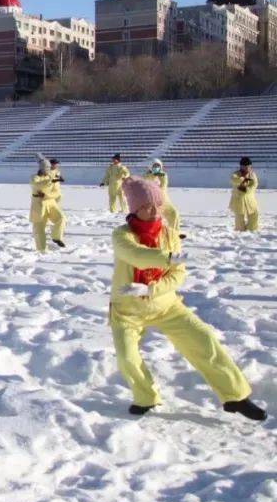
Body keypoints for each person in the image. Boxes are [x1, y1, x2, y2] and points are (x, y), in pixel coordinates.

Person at [109, 178, 265, 421]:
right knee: (127, 357)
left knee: (204, 339)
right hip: (127, 310)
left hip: (166, 304)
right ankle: (145, 397)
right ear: (134, 209)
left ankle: (235, 396)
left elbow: (178, 275)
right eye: (147, 206)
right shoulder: (122, 235)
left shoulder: (170, 235)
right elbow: (136, 256)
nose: (154, 211)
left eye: (157, 205)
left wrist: (151, 289)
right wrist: (169, 258)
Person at [30, 155, 65, 252]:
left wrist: (46, 194)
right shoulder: (35, 177)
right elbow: (35, 183)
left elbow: (57, 192)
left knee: (61, 218)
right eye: (46, 168)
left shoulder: (52, 177)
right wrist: (46, 178)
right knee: (39, 227)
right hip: (38, 204)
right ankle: (42, 249)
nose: (48, 170)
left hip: (51, 202)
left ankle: (56, 237)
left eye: (49, 168)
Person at [143, 159, 184, 240]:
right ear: (150, 167)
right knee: (153, 220)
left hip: (164, 201)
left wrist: (160, 176)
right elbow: (147, 184)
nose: (156, 168)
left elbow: (163, 187)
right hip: (152, 202)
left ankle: (174, 234)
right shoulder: (146, 176)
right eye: (154, 166)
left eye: (158, 166)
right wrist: (153, 175)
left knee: (174, 213)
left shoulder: (163, 175)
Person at [230, 157, 259, 232]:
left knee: (254, 214)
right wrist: (243, 179)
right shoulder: (236, 174)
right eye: (245, 166)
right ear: (241, 166)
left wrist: (246, 188)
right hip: (238, 199)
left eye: (249, 166)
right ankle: (240, 231)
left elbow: (254, 184)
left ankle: (251, 229)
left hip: (250, 199)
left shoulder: (252, 174)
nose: (247, 168)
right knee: (239, 216)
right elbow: (234, 180)